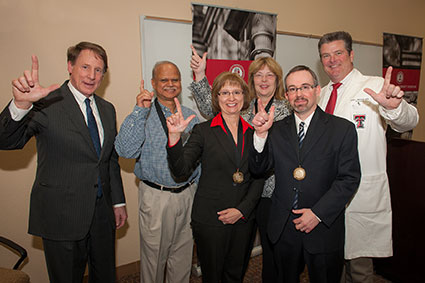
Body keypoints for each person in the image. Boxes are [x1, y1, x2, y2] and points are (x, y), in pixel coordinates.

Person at [0, 42, 127, 282]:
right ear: (70, 66)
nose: (92, 75)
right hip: (62, 216)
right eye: (85, 67)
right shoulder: (46, 103)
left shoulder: (107, 109)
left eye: (99, 70)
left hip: (102, 215)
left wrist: (118, 202)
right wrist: (21, 105)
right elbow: (6, 140)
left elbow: (109, 158)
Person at [317, 31, 419, 283]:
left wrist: (395, 107)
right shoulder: (322, 95)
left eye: (338, 53)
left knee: (360, 269)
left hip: (361, 194)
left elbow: (409, 120)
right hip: (329, 194)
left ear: (351, 54)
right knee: (334, 263)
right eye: (325, 56)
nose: (332, 60)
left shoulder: (374, 86)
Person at [250, 65, 361, 282]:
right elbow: (258, 169)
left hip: (323, 227)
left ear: (317, 90)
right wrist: (260, 136)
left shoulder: (342, 129)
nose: (299, 94)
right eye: (292, 89)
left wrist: (317, 213)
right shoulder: (276, 129)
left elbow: (349, 179)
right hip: (284, 228)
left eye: (305, 87)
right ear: (287, 95)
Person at [190, 45, 291, 282]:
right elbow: (212, 108)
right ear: (251, 80)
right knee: (239, 255)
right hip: (245, 195)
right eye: (258, 75)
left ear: (278, 81)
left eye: (270, 75)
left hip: (274, 195)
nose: (264, 80)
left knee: (276, 252)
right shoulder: (244, 110)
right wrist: (200, 76)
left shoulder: (287, 110)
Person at [166, 72, 264, 282]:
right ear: (216, 98)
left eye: (237, 92)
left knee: (235, 274)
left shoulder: (255, 132)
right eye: (225, 92)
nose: (231, 98)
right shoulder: (203, 131)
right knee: (212, 276)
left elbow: (259, 177)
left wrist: (242, 210)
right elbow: (181, 170)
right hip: (211, 218)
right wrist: (174, 139)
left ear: (244, 97)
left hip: (243, 218)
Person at [114, 61, 199, 283]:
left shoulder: (190, 116)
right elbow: (125, 151)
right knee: (154, 259)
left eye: (175, 79)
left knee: (182, 257)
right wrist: (139, 111)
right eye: (164, 80)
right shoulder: (144, 114)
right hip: (156, 197)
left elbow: (199, 160)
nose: (170, 84)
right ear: (153, 83)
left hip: (188, 194)